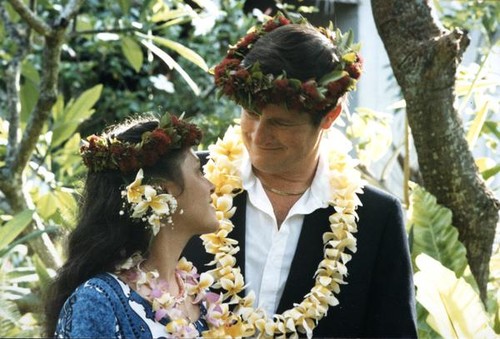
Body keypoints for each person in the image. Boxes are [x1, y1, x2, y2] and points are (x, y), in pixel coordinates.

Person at [184, 13, 418, 338]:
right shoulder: (188, 184)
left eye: (280, 123)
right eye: (251, 113)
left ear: (329, 116)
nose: (258, 135)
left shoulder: (376, 221)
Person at [43, 113, 231, 338]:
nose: (211, 186)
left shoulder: (199, 296)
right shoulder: (99, 301)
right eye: (199, 171)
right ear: (163, 191)